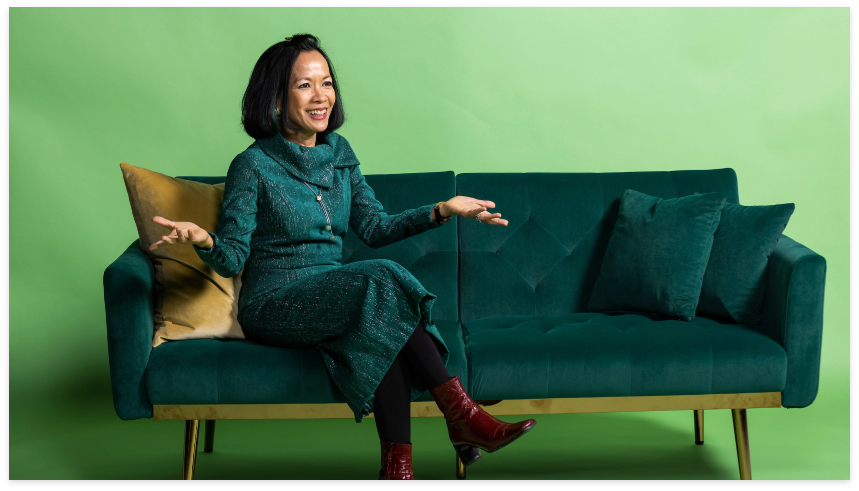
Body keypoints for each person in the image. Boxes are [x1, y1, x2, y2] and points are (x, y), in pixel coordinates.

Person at [149, 34, 535, 480]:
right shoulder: (252, 165)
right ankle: (462, 414)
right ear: (275, 99)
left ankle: (398, 470)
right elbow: (233, 258)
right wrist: (203, 239)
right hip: (274, 303)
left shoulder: (340, 154)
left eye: (327, 83)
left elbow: (374, 228)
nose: (321, 97)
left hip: (336, 295)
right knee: (381, 283)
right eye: (304, 86)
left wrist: (441, 210)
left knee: (380, 323)